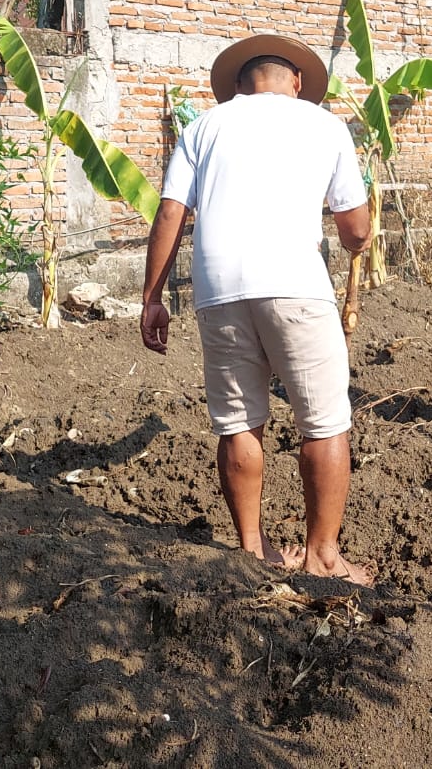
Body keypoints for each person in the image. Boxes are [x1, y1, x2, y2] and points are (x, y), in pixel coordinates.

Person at [140, 33, 373, 585]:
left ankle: (251, 549)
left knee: (239, 421)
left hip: (217, 288)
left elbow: (171, 212)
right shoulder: (324, 125)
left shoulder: (203, 126)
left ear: (238, 86)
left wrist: (152, 298)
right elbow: (356, 227)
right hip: (295, 284)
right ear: (296, 83)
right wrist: (356, 242)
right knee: (324, 422)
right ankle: (322, 557)